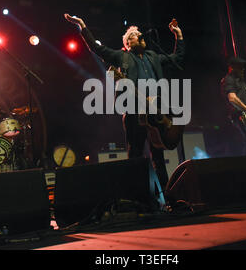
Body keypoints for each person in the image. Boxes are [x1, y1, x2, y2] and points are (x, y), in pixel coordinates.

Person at [64, 14, 185, 189]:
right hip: (134, 112)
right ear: (128, 43)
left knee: (158, 157)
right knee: (135, 156)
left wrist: (178, 35)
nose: (139, 35)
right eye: (134, 35)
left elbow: (178, 58)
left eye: (139, 33)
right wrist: (82, 25)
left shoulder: (154, 57)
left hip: (156, 113)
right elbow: (97, 49)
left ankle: (168, 198)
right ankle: (139, 198)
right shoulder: (122, 57)